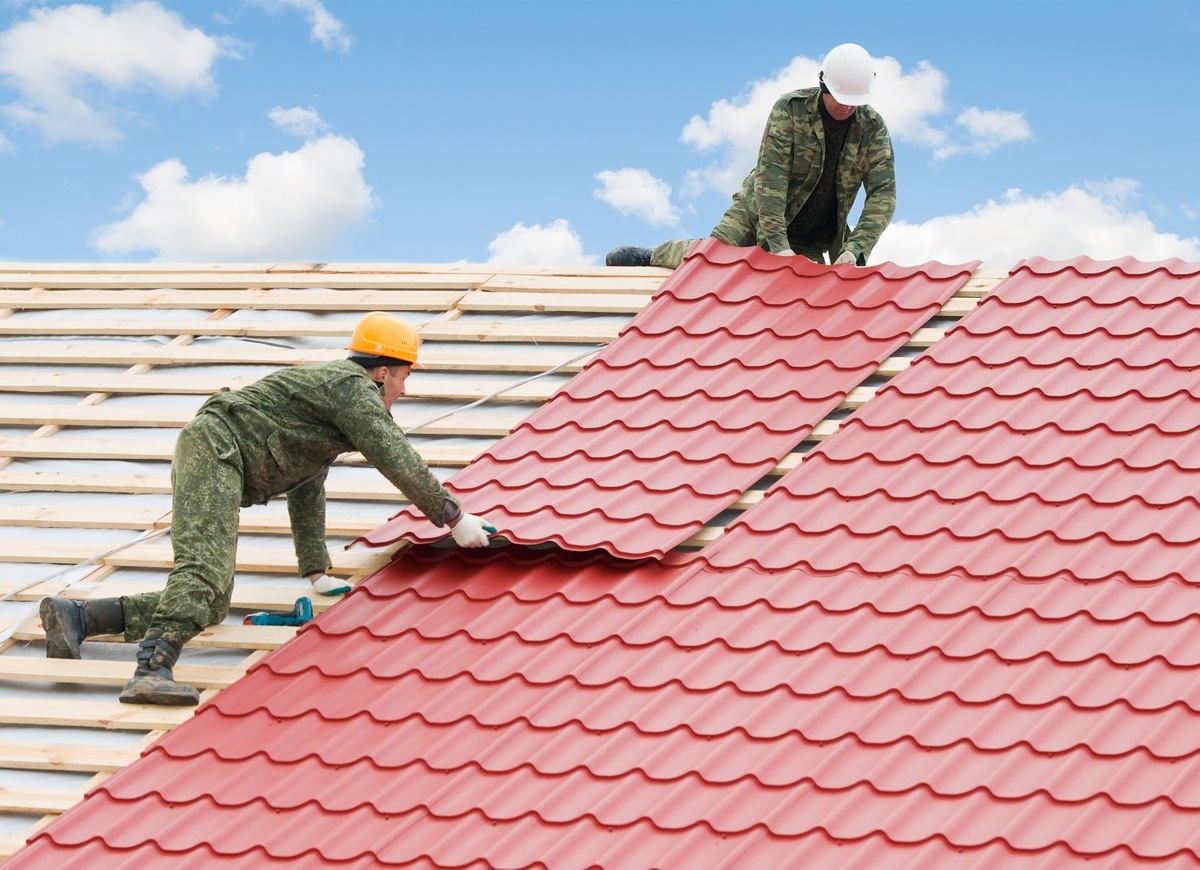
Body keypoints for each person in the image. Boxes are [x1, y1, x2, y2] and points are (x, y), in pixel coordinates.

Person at [38, 312, 493, 706]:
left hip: (219, 455)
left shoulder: (330, 409)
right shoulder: (351, 390)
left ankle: (78, 618)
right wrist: (453, 517)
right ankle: (151, 672)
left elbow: (308, 482)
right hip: (217, 448)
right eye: (405, 376)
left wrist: (315, 569)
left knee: (213, 603)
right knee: (204, 573)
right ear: (381, 373)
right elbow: (396, 456)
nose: (405, 390)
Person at [606, 43, 895, 269]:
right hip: (757, 213)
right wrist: (778, 245)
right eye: (840, 99)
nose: (847, 108)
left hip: (813, 235)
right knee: (712, 262)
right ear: (824, 85)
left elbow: (883, 194)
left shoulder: (872, 128)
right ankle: (651, 255)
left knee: (802, 295)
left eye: (853, 102)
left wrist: (855, 247)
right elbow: (772, 179)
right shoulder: (790, 111)